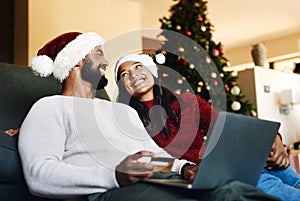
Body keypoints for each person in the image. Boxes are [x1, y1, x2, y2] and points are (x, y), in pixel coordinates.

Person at [17, 32, 281, 201]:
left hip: (156, 178)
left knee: (232, 191)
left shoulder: (122, 111)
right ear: (76, 60)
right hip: (108, 190)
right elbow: (38, 174)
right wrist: (115, 176)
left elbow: (151, 152)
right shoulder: (49, 107)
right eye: (98, 53)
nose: (105, 62)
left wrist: (184, 168)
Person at [115, 53, 300, 201]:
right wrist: (183, 169)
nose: (133, 74)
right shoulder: (130, 120)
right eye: (125, 74)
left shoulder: (187, 101)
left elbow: (229, 128)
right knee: (262, 181)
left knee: (273, 162)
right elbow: (152, 159)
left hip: (222, 164)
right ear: (123, 87)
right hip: (196, 176)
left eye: (138, 66)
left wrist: (275, 140)